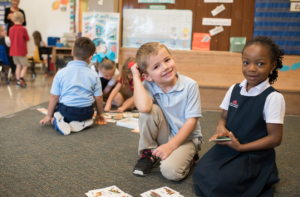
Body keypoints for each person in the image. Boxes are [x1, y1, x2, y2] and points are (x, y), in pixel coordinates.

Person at [193, 36, 285, 197]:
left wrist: (241, 148)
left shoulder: (273, 97)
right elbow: (223, 118)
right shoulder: (234, 89)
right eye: (246, 62)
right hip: (229, 146)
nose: (251, 68)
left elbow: (275, 138)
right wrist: (221, 130)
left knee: (219, 184)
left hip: (253, 153)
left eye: (260, 63)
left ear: (272, 65)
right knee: (201, 172)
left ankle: (262, 175)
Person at [131, 42, 202, 181]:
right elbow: (143, 108)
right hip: (165, 134)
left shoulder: (190, 85)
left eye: (167, 60)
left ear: (172, 58)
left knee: (170, 172)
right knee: (148, 112)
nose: (166, 67)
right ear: (148, 76)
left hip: (187, 138)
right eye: (156, 67)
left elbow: (191, 122)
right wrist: (135, 76)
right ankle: (148, 153)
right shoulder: (148, 84)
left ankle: (191, 156)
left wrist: (171, 146)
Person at [39, 37, 106, 135]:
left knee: (56, 113)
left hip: (67, 112)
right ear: (90, 57)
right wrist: (100, 114)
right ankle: (83, 122)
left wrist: (49, 116)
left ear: (72, 52)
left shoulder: (61, 73)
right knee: (87, 105)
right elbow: (99, 98)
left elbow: (54, 97)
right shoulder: (94, 74)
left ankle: (57, 121)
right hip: (87, 113)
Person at [9, 11, 29, 88]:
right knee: (25, 66)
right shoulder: (23, 29)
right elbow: (27, 38)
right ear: (22, 20)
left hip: (13, 51)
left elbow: (11, 39)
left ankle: (17, 81)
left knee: (18, 66)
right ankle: (21, 80)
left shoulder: (11, 29)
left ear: (13, 20)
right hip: (21, 51)